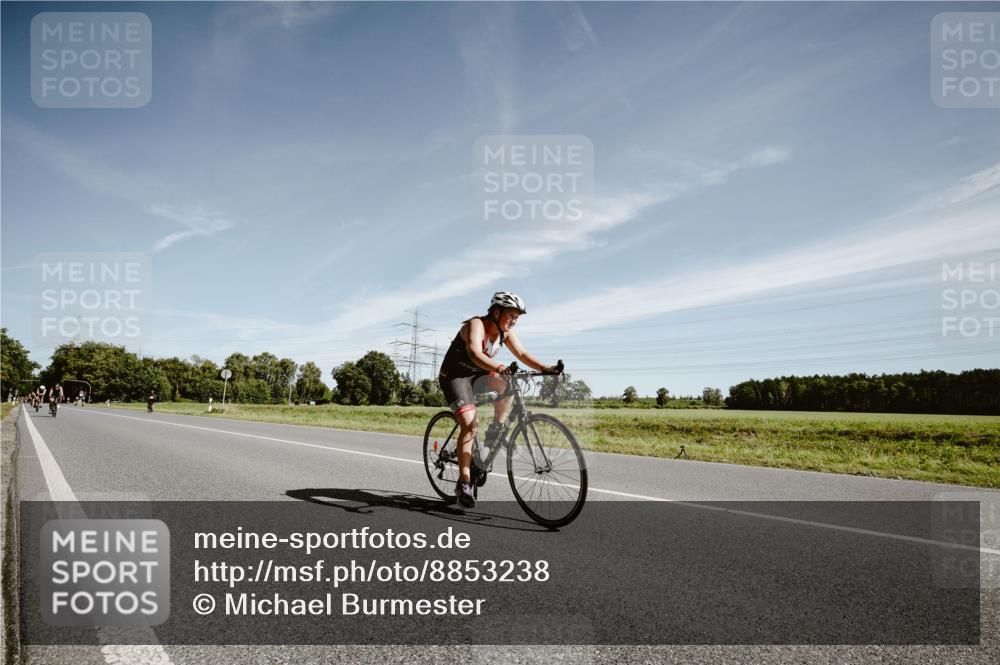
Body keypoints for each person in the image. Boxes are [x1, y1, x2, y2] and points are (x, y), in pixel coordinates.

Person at [437, 291, 559, 508]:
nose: (513, 321)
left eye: (517, 318)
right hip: (455, 376)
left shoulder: (506, 333)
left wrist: (546, 368)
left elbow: (522, 354)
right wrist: (500, 367)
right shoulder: (476, 325)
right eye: (510, 315)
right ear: (496, 312)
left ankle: (496, 428)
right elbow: (475, 353)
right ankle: (464, 482)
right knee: (470, 425)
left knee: (508, 385)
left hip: (477, 375)